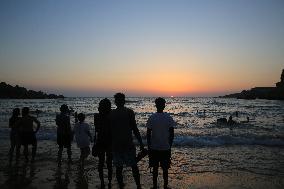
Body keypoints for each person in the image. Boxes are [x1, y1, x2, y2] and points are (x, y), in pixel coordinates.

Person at [109, 93, 145, 189]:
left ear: (115, 102)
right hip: (128, 144)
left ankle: (121, 186)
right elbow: (135, 129)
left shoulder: (111, 114)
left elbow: (109, 132)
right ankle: (138, 186)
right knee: (133, 166)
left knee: (119, 168)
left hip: (116, 145)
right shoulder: (129, 112)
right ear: (124, 101)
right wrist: (141, 143)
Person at [147, 97, 175, 189]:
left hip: (154, 148)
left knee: (155, 169)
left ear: (156, 105)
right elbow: (172, 133)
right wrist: (169, 145)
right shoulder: (168, 117)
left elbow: (148, 134)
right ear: (164, 105)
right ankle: (165, 186)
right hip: (165, 148)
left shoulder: (152, 117)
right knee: (165, 169)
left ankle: (154, 186)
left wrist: (149, 146)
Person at [94, 98, 113, 188]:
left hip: (100, 141)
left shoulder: (97, 116)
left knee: (101, 163)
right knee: (109, 163)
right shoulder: (111, 116)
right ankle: (109, 181)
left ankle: (102, 182)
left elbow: (97, 130)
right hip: (110, 142)